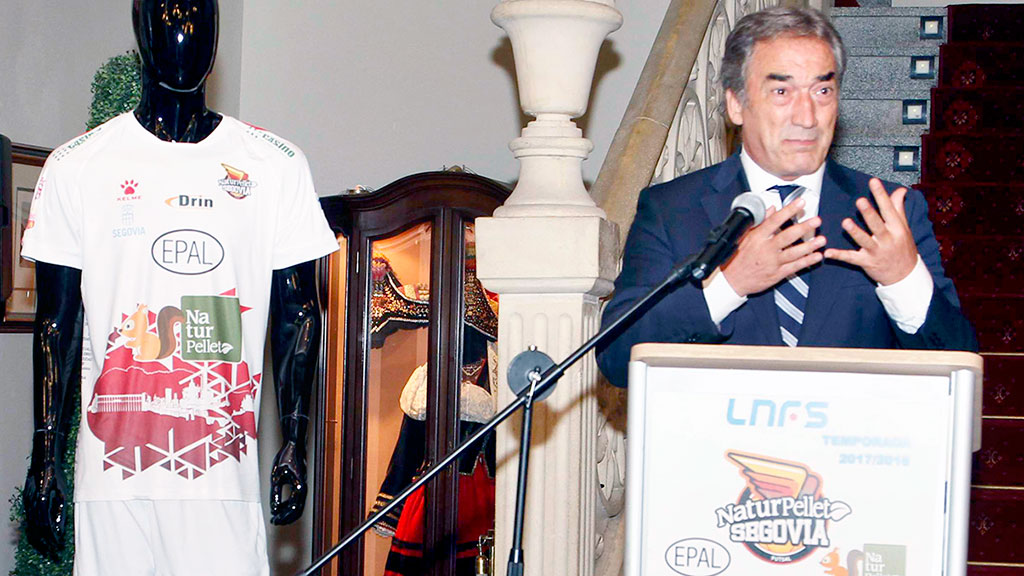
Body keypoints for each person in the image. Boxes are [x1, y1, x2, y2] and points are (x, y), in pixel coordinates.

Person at [19, 1, 339, 574]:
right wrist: (45, 453)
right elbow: (55, 325)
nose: (186, 27)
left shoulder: (273, 166)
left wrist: (296, 438)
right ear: (141, 26)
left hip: (221, 472)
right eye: (168, 11)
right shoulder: (78, 167)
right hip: (113, 482)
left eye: (201, 12)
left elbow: (302, 315)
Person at [596, 6, 977, 388]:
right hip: (720, 445)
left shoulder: (888, 211)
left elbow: (960, 368)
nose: (807, 117)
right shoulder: (671, 210)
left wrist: (902, 280)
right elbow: (616, 356)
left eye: (822, 91)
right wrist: (730, 285)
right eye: (782, 91)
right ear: (736, 104)